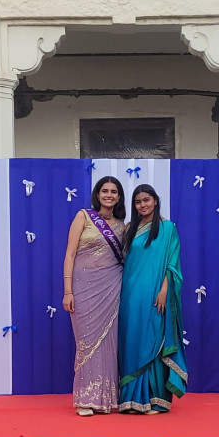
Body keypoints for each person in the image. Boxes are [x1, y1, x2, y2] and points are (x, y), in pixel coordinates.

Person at [118, 184, 187, 413]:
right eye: (138, 202)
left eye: (146, 200)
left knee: (154, 337)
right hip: (130, 295)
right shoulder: (130, 229)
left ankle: (156, 399)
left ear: (155, 200)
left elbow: (173, 262)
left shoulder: (167, 228)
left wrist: (165, 289)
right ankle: (131, 399)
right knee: (133, 339)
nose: (142, 205)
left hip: (156, 293)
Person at [63, 176, 126, 416]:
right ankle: (85, 399)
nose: (109, 195)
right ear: (98, 194)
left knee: (109, 342)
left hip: (111, 288)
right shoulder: (83, 216)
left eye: (114, 191)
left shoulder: (122, 226)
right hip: (82, 288)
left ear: (119, 197)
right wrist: (67, 291)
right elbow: (70, 255)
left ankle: (105, 398)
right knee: (86, 342)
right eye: (105, 191)